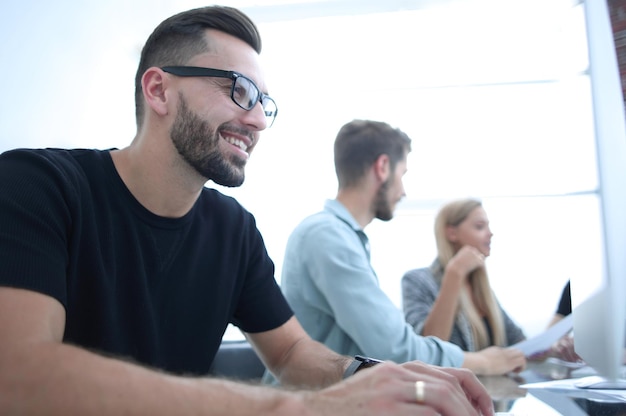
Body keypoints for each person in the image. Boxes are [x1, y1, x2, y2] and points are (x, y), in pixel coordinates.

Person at [0, 6, 495, 416]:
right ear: (158, 90)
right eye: (237, 89)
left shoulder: (233, 229)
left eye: (264, 102)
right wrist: (299, 410)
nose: (257, 119)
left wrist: (373, 375)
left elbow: (292, 352)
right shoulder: (38, 187)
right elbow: (16, 375)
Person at [275, 120, 525, 379]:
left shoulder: (337, 236)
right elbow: (397, 350)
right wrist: (483, 362)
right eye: (403, 174)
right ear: (383, 167)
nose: (403, 191)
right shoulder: (328, 237)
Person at [402, 198, 526, 356]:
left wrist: (551, 348)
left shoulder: (480, 286)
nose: (490, 233)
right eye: (480, 227)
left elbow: (517, 340)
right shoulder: (417, 280)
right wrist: (455, 273)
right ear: (452, 233)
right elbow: (427, 348)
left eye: (488, 226)